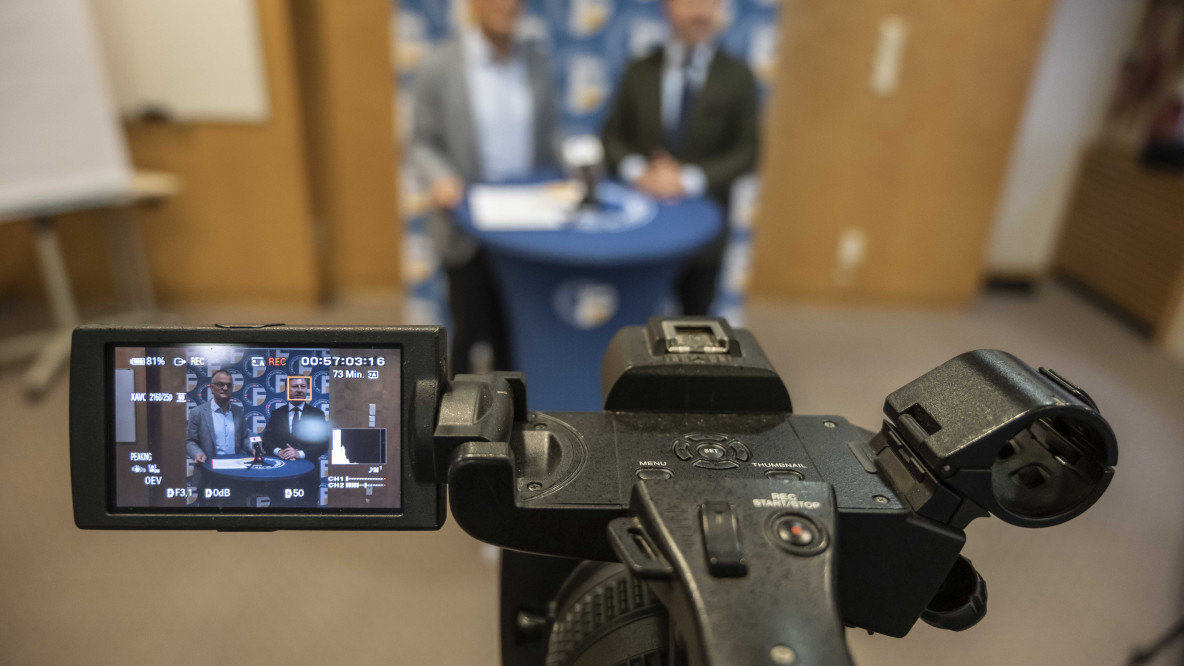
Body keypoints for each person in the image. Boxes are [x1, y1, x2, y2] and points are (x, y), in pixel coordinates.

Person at [410, 0, 559, 375]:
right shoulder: (439, 64)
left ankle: (514, 419)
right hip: (466, 226)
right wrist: (440, 177)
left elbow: (550, 137)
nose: (505, 5)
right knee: (469, 334)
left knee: (516, 333)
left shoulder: (537, 61)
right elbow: (421, 142)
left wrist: (572, 166)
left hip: (527, 227)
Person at [600, 0, 759, 316]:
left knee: (695, 327)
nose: (700, 12)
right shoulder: (639, 69)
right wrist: (639, 172)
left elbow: (747, 152)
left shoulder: (738, 76)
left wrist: (685, 180)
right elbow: (611, 137)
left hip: (704, 234)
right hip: (642, 227)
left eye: (709, 2)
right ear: (666, 7)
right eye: (688, 2)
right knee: (632, 322)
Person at [185, 369, 250, 463]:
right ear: (212, 388)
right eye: (220, 384)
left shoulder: (238, 411)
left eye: (229, 385)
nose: (225, 388)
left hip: (235, 469)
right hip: (208, 470)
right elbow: (190, 441)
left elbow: (244, 438)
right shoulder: (197, 413)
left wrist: (253, 448)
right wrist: (197, 453)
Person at [262, 389, 330, 462]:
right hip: (281, 464)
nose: (300, 390)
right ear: (287, 390)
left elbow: (324, 444)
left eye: (303, 386)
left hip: (309, 466)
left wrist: (299, 454)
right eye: (295, 386)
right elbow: (266, 440)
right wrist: (279, 452)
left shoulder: (317, 414)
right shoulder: (276, 413)